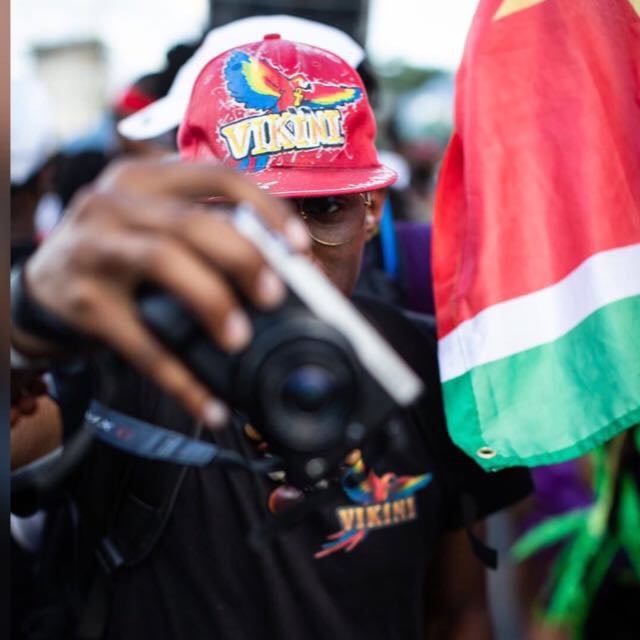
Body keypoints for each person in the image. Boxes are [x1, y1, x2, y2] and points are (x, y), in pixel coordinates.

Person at [11, 36, 532, 639]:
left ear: (371, 210)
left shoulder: (429, 370)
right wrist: (25, 320)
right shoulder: (129, 362)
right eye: (254, 218)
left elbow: (460, 612)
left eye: (325, 209)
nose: (293, 251)